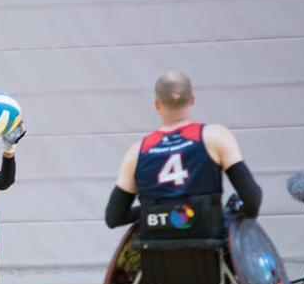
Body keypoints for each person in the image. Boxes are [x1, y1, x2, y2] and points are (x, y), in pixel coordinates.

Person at [105, 70, 262, 228]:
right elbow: (252, 199)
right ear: (192, 99)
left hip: (156, 250)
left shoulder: (137, 152)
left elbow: (113, 218)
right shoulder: (216, 136)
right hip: (208, 247)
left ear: (157, 104)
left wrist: (155, 211)